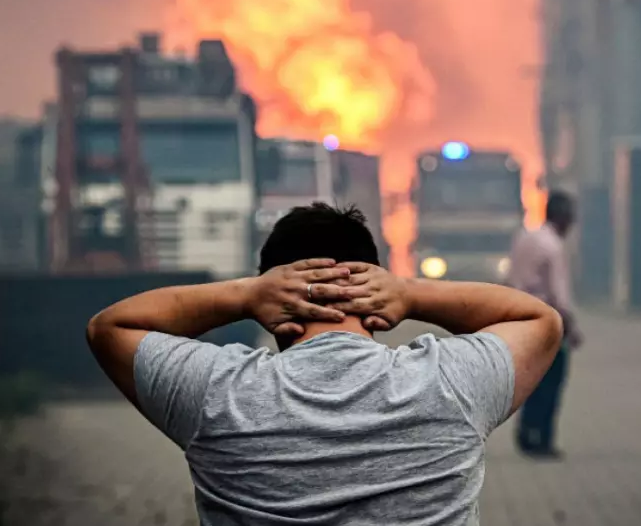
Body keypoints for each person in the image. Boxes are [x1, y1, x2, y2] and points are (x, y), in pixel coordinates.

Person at [87, 203, 563, 525]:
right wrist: (412, 293)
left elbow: (109, 328)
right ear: (376, 291)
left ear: (274, 302)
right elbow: (539, 319)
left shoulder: (217, 392)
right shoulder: (450, 382)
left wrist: (245, 295)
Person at [505, 190, 582, 460]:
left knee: (532, 379)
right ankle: (543, 440)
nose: (573, 224)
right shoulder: (553, 247)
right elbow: (559, 295)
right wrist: (571, 328)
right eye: (571, 218)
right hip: (548, 321)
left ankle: (525, 435)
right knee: (552, 381)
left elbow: (511, 277)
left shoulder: (525, 237)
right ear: (562, 218)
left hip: (521, 316)